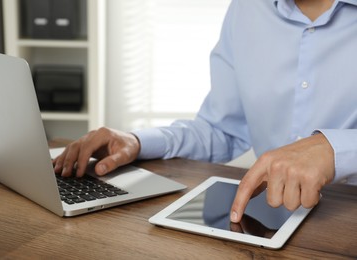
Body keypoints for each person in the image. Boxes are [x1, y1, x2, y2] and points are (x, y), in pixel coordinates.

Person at [53, 0, 357, 224]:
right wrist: (138, 141)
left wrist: (332, 150)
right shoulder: (246, 9)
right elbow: (221, 129)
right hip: (269, 221)